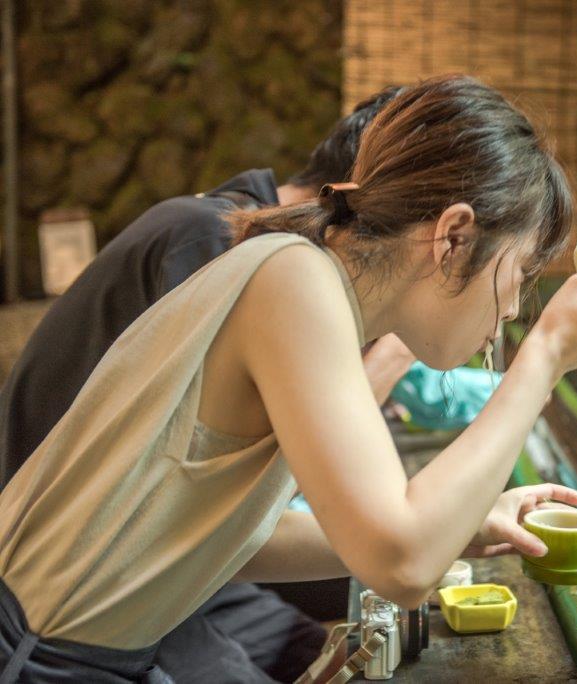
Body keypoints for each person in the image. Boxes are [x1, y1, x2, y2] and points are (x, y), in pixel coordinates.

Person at [0, 75, 577, 681]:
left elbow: (237, 539)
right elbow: (404, 563)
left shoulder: (305, 282)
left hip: (88, 648)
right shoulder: (294, 281)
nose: (512, 310)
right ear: (453, 236)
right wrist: (548, 352)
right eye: (522, 274)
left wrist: (470, 524)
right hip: (36, 655)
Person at [0, 87, 412, 682]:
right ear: (366, 199)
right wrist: (392, 357)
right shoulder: (219, 242)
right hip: (93, 565)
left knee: (317, 643)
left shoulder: (246, 235)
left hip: (167, 541)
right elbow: (286, 458)